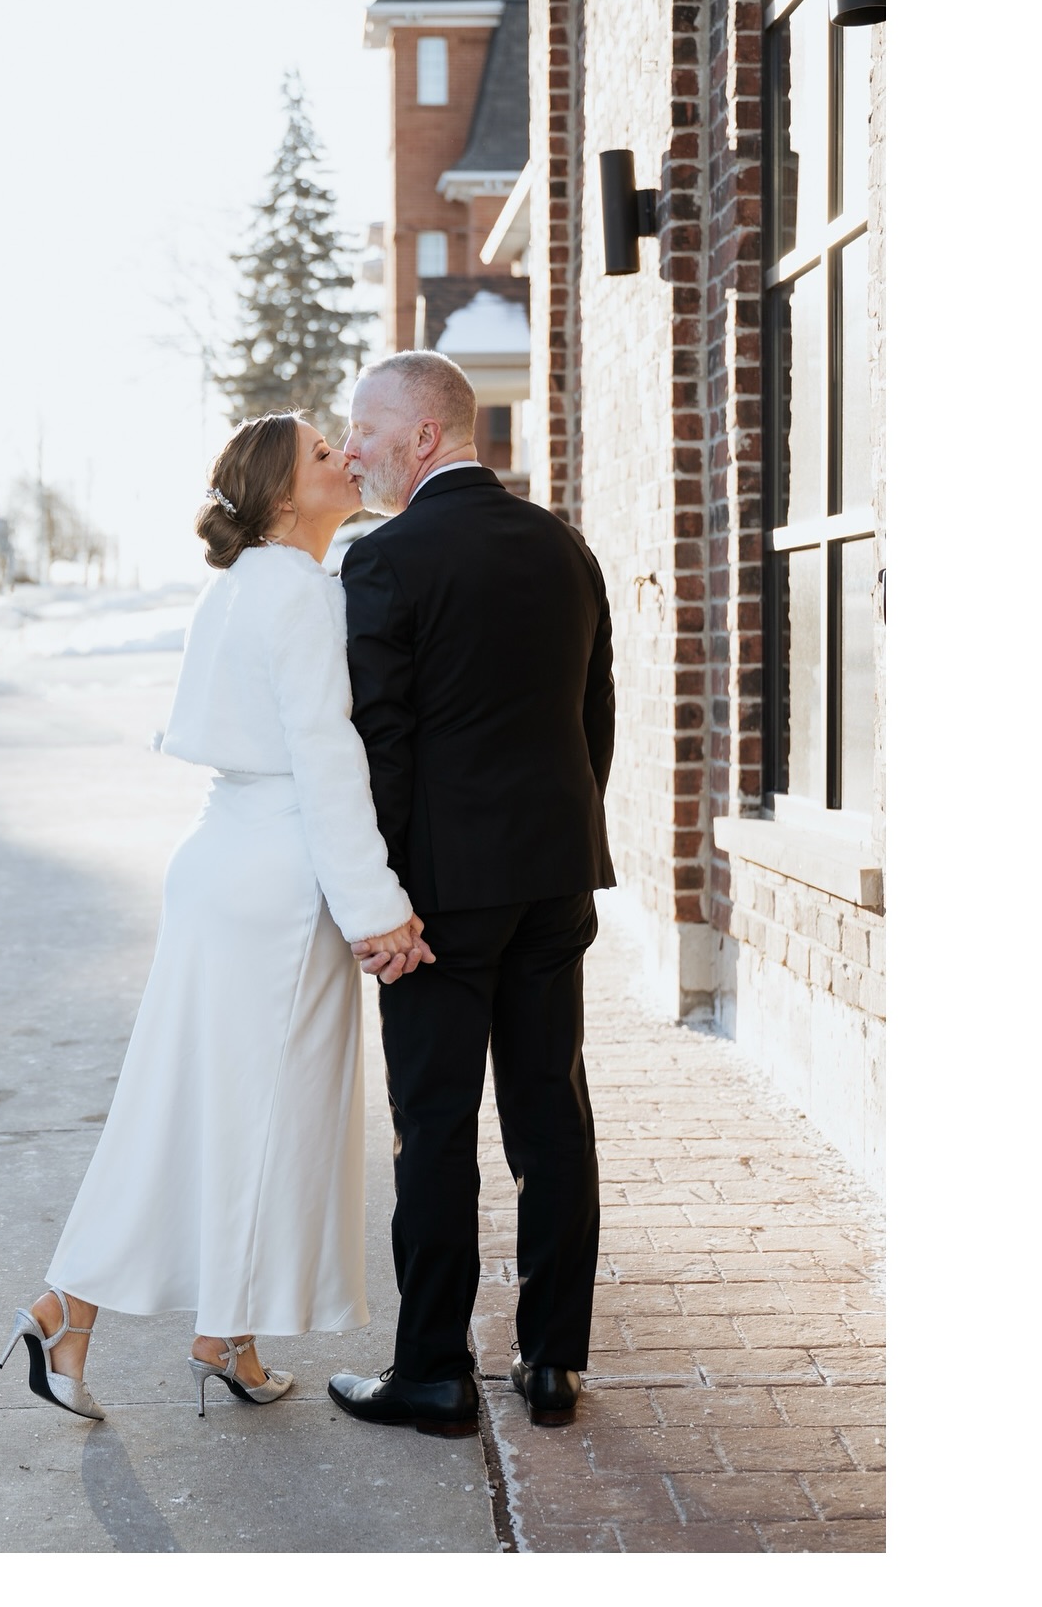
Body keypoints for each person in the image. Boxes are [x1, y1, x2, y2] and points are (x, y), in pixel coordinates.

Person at [0, 411, 432, 1422]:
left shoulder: (251, 587)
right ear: (284, 495)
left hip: (226, 863)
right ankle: (78, 1305)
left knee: (208, 1104)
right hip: (278, 881)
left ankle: (212, 1330)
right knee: (251, 1112)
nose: (347, 456)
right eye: (325, 452)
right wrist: (380, 911)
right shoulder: (294, 596)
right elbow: (328, 764)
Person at [327, 350, 616, 1438]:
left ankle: (435, 1371)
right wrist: (565, 835)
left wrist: (383, 899)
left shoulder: (387, 561)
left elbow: (382, 750)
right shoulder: (566, 549)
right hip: (554, 879)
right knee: (552, 1114)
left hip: (442, 901)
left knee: (436, 1127)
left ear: (428, 435)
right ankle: (552, 1365)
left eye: (366, 427)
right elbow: (596, 716)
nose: (353, 448)